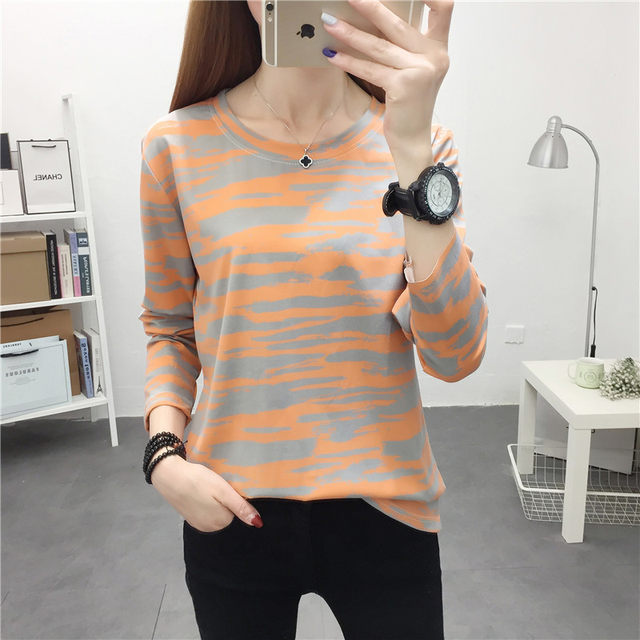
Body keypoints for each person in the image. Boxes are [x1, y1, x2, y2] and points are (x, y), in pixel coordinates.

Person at [138, 1, 487, 638]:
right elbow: (170, 326)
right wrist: (165, 457)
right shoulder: (176, 146)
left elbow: (455, 354)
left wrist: (410, 148)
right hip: (231, 503)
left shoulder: (421, 145)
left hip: (387, 506)